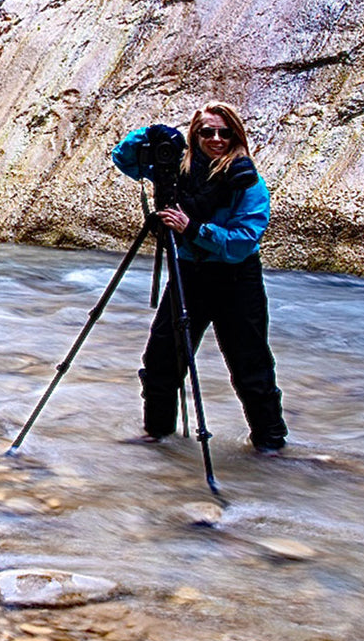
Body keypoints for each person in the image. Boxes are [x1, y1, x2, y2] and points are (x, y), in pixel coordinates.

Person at [111, 101, 288, 455]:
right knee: (162, 358)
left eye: (225, 132)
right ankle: (157, 435)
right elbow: (123, 158)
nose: (216, 139)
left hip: (236, 280)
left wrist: (194, 229)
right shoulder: (178, 169)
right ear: (195, 135)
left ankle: (270, 444)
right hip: (189, 274)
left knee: (249, 364)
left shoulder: (246, 180)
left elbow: (242, 243)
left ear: (236, 135)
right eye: (207, 131)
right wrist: (153, 134)